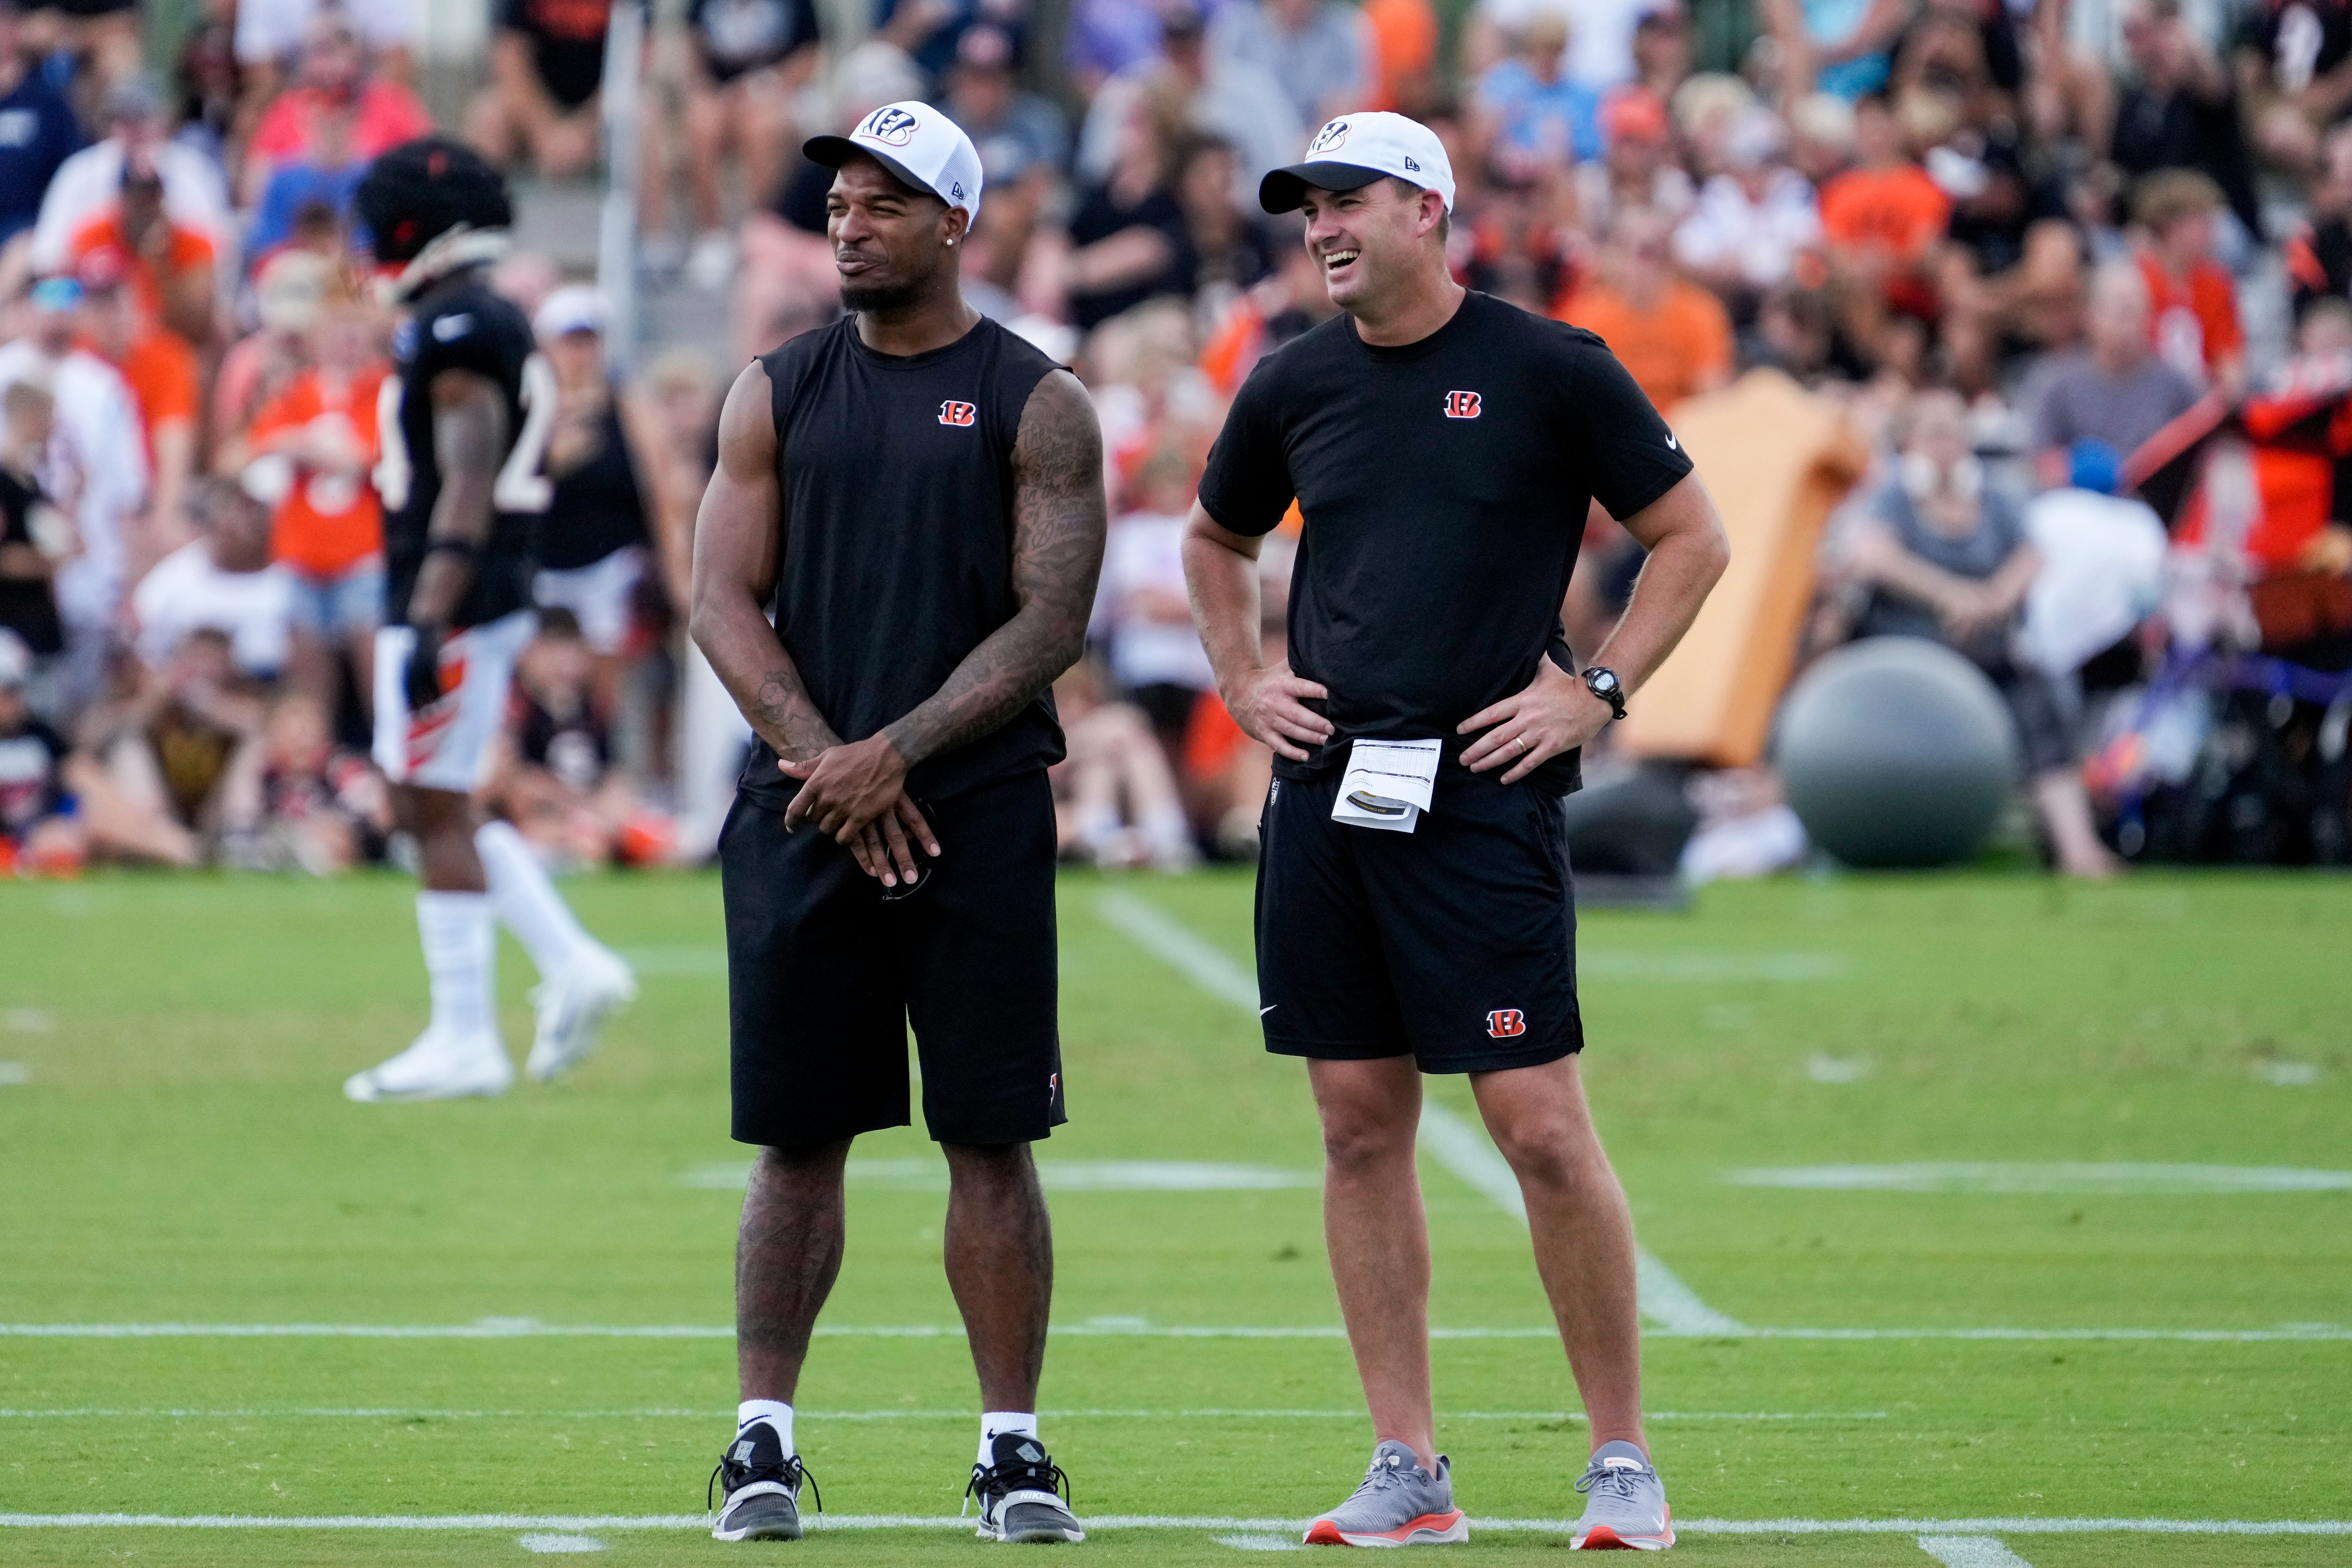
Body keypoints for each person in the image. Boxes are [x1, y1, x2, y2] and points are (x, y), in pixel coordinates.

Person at [1180, 110, 1728, 1550]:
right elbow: (1211, 538)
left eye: (1346, 201)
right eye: (1306, 210)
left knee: (1537, 1125)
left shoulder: (1548, 366)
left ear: (1427, 208)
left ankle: (1619, 1458)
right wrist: (1244, 679)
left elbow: (1692, 536)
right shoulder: (1291, 380)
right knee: (1355, 1124)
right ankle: (1407, 1467)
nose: (1320, 229)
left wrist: (1595, 690)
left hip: (1483, 787)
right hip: (1328, 795)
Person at [687, 101, 1104, 1545]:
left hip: (972, 812)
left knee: (991, 1137)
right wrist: (827, 761)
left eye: (883, 201)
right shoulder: (775, 389)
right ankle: (759, 1438)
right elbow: (719, 599)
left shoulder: (1034, 399)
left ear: (954, 225)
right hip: (807, 806)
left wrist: (896, 754)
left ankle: (1012, 1449)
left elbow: (1050, 619)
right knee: (797, 1138)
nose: (849, 221)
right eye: (839, 201)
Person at [340, 137, 637, 1103]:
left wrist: (430, 610)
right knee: (432, 796)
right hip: (480, 592)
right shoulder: (478, 313)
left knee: (428, 801)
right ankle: (572, 960)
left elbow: (468, 470)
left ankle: (466, 1035)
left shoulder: (459, 323)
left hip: (457, 596)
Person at [1841, 389, 2120, 877]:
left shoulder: (1994, 498)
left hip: (1989, 656)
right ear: (1911, 442)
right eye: (1936, 434)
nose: (1948, 445)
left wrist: (1991, 599)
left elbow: (2032, 556)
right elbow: (1873, 555)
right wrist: (1948, 594)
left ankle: (2079, 849)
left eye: (1956, 433)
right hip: (1916, 665)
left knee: (2039, 709)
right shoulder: (1894, 497)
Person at [2025, 260, 2199, 486]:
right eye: (2122, 312)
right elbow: (2039, 461)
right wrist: (2073, 468)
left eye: (2139, 310)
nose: (2132, 323)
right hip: (2083, 505)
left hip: (2156, 507)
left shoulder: (2176, 385)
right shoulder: (2059, 382)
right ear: (2090, 316)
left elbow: (2202, 458)